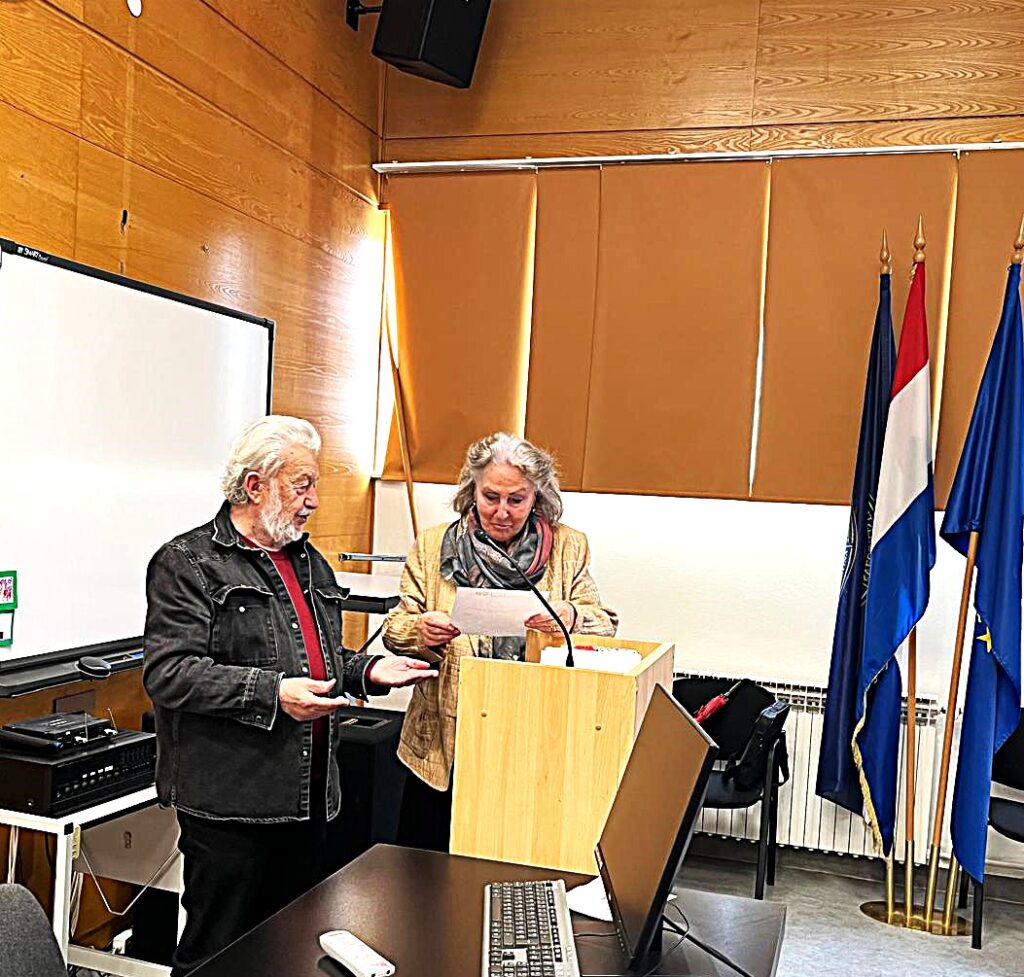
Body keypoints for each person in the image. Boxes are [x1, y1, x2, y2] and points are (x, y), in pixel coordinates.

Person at [143, 415, 436, 976]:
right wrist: (273, 694)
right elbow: (170, 672)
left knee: (287, 955)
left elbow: (318, 661)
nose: (315, 501)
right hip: (232, 807)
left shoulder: (308, 561)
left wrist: (371, 672)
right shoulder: (188, 564)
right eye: (303, 485)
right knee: (216, 957)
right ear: (255, 486)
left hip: (307, 801)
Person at [381, 432, 618, 851]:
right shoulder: (434, 546)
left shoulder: (568, 546)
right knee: (426, 869)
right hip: (443, 745)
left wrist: (571, 615)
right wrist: (421, 632)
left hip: (531, 738)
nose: (502, 512)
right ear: (471, 491)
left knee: (508, 861)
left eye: (516, 500)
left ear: (537, 497)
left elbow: (605, 624)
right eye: (490, 497)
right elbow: (395, 628)